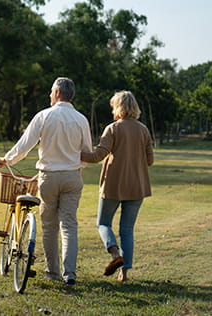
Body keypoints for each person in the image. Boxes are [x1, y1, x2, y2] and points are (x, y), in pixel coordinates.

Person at [0, 77, 92, 286]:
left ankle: (53, 271)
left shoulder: (44, 116)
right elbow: (87, 153)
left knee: (49, 226)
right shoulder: (81, 119)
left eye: (51, 92)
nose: (49, 95)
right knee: (69, 225)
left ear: (57, 93)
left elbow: (24, 145)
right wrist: (76, 168)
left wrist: (7, 160)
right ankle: (70, 274)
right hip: (72, 177)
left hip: (48, 177)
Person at [81, 90, 154, 282]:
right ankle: (124, 273)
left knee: (103, 223)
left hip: (113, 186)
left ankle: (115, 255)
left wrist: (76, 153)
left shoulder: (112, 129)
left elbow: (97, 156)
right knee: (127, 230)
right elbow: (150, 160)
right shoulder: (144, 130)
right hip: (137, 187)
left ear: (118, 107)